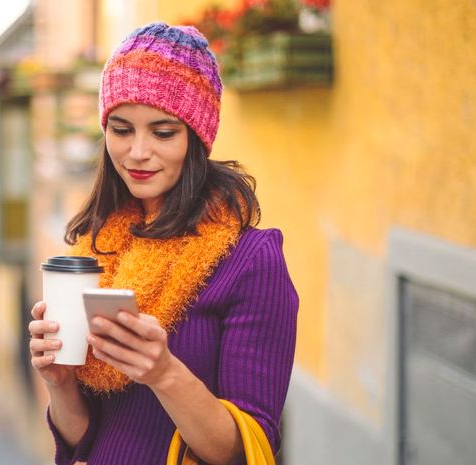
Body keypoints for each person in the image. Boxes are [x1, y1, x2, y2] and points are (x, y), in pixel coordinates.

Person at [28, 22, 299, 465]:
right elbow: (87, 440)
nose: (136, 152)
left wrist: (164, 373)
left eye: (163, 131)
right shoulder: (101, 249)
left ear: (197, 137)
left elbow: (244, 452)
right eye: (120, 129)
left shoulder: (251, 261)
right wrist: (60, 382)